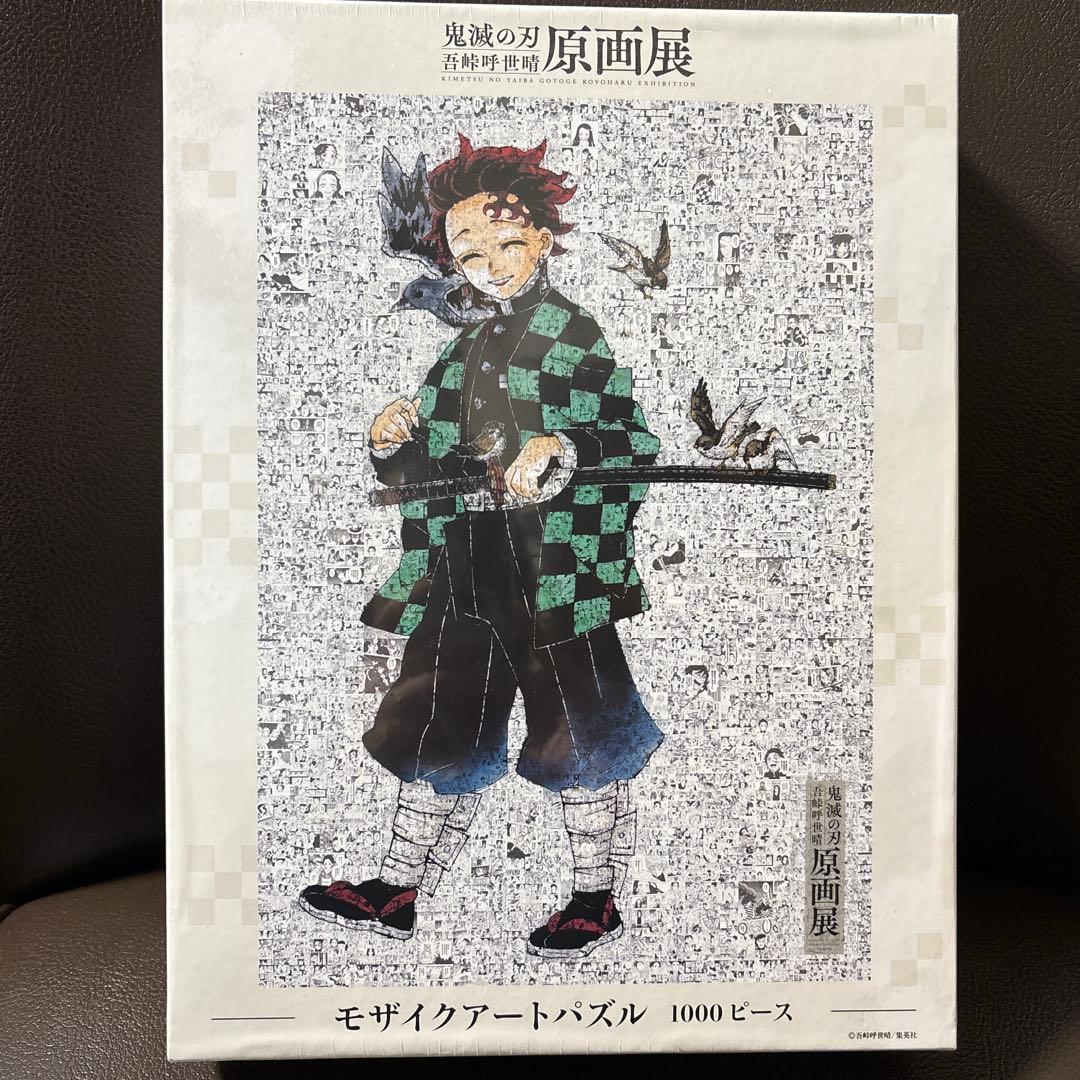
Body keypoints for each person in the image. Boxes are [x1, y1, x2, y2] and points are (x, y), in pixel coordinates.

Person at [298, 135, 663, 960]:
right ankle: (396, 889)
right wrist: (393, 443)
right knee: (441, 720)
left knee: (580, 727)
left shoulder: (572, 332)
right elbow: (427, 470)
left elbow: (628, 441)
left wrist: (565, 450)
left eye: (506, 243)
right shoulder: (458, 353)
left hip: (553, 572)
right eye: (469, 253)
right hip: (464, 567)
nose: (489, 265)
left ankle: (595, 898)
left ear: (542, 236)